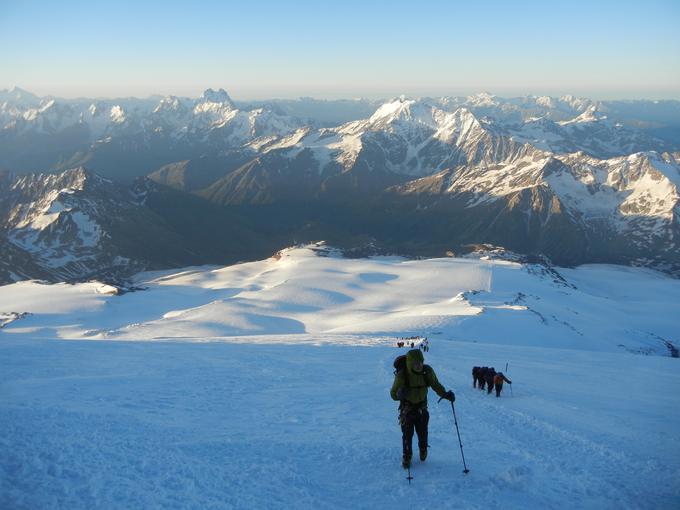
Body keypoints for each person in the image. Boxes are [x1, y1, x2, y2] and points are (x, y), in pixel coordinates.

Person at [390, 349, 455, 469]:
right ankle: (407, 455)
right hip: (407, 410)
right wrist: (399, 394)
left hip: (422, 408)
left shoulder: (427, 371)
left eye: (420, 362)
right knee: (407, 434)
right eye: (415, 363)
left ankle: (423, 448)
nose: (419, 365)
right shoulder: (402, 375)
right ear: (409, 363)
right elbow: (393, 394)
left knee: (422, 432)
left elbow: (436, 385)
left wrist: (445, 394)